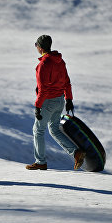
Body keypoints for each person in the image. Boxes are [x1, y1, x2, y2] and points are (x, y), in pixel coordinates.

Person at [26, 35, 85, 170]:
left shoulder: (43, 64)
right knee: (54, 130)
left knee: (38, 130)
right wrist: (69, 99)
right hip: (60, 100)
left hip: (48, 102)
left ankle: (40, 162)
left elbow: (43, 89)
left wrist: (37, 106)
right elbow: (67, 82)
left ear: (40, 47)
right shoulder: (60, 61)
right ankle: (76, 153)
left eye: (36, 45)